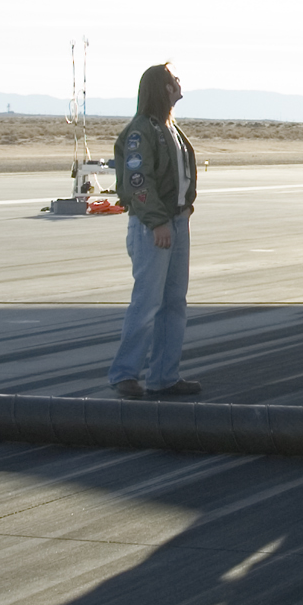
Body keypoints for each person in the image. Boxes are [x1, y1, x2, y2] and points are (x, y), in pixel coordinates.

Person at [109, 66, 201, 399]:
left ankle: (164, 376)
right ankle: (125, 374)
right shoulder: (141, 131)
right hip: (155, 227)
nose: (180, 85)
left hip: (176, 221)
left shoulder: (169, 129)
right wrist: (158, 221)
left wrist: (184, 209)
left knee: (174, 302)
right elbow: (138, 182)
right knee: (147, 302)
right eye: (175, 81)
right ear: (162, 88)